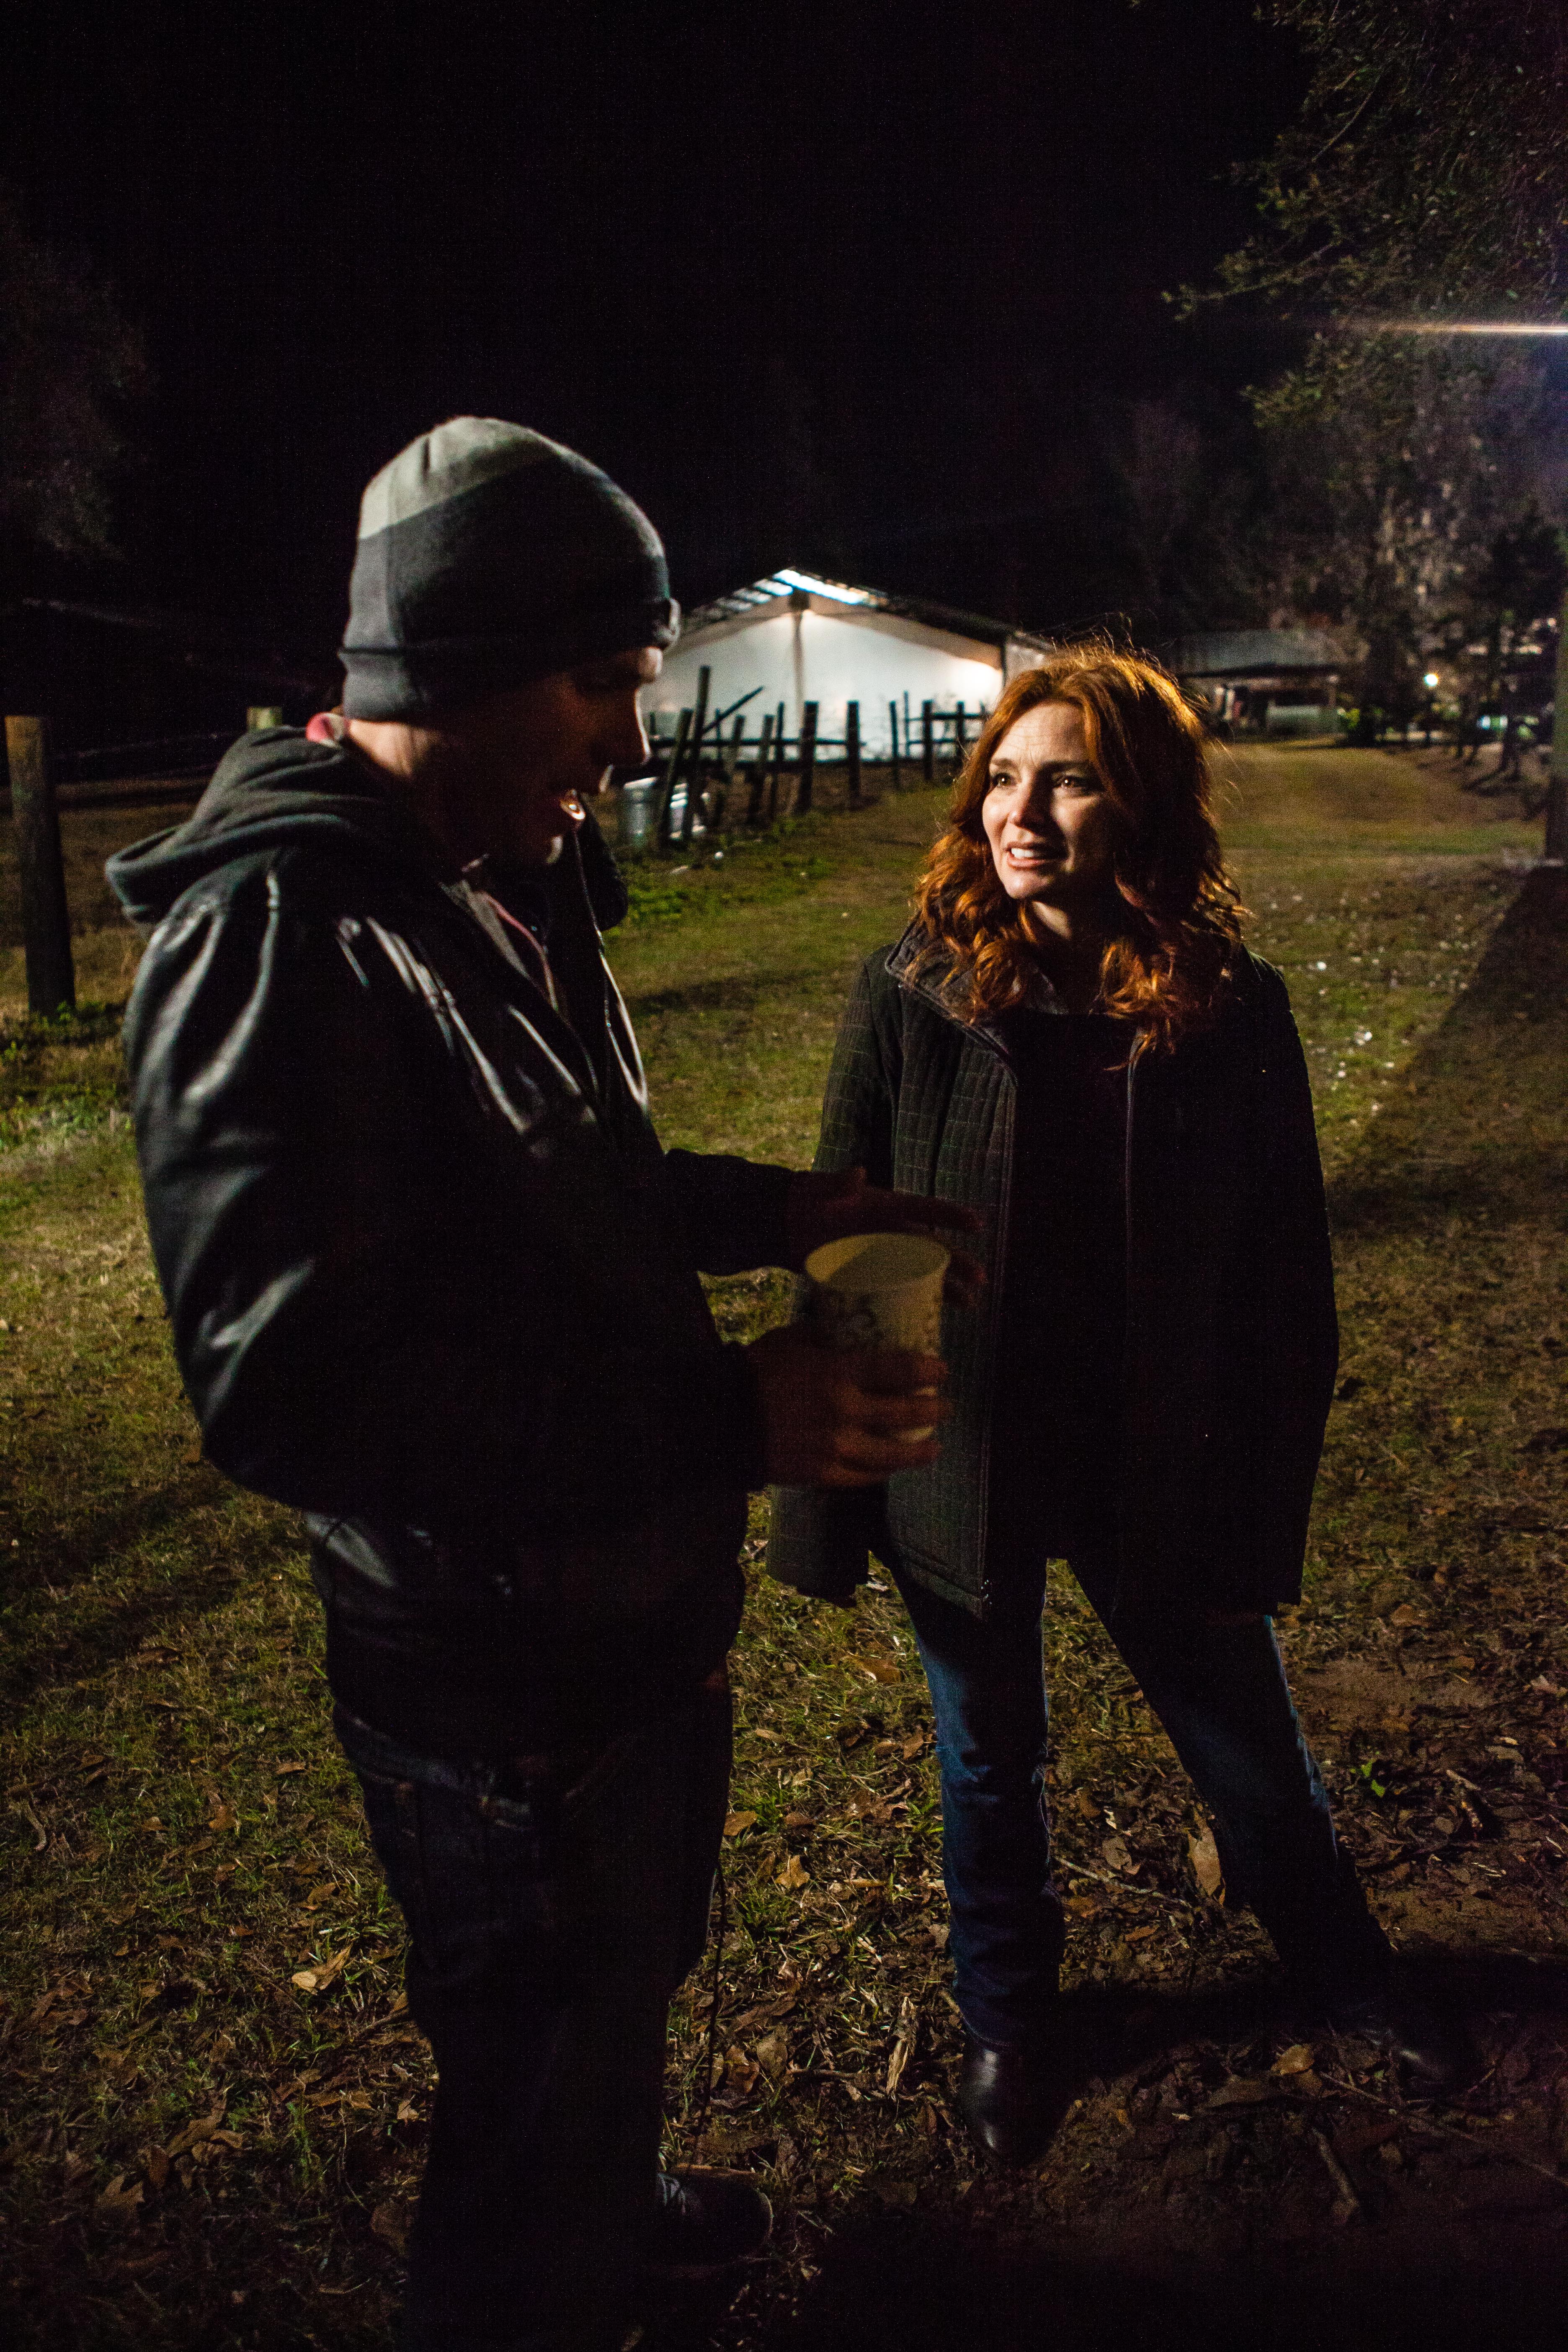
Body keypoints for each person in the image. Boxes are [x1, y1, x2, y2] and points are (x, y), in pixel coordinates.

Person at [107, 418, 970, 2352]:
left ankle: (611, 2185)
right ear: (454, 667)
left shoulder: (490, 864)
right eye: (606, 687)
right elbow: (290, 1389)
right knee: (531, 2084)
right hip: (494, 1683)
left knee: (616, 1985)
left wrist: (785, 1209)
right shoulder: (282, 932)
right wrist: (723, 1427)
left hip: (610, 1619)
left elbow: (556, 1169)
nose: (640, 749)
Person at [769, 648, 1469, 2166]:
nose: (1022, 811)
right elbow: (838, 1253)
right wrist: (824, 1510)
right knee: (987, 1759)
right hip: (968, 1454)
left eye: (1067, 777)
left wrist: (1261, 1490)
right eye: (1004, 778)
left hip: (1163, 1461)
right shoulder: (916, 993)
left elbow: (1289, 1287)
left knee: (1248, 1750)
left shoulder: (1232, 1011)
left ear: (1140, 800)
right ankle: (1013, 2023)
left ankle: (1350, 1979)